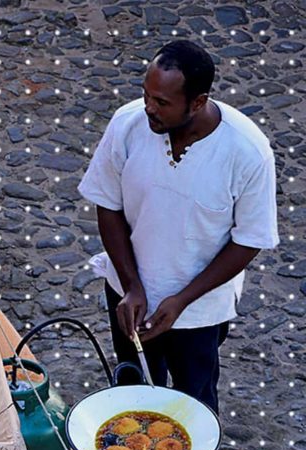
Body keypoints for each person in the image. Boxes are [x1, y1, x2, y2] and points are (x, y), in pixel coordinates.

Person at [78, 40, 278, 413]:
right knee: (132, 397)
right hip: (129, 298)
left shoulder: (248, 151)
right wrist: (133, 285)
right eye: (146, 95)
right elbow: (107, 204)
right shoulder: (127, 124)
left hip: (200, 310)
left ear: (198, 102)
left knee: (194, 404)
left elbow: (249, 240)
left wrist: (182, 300)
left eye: (162, 103)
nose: (149, 108)